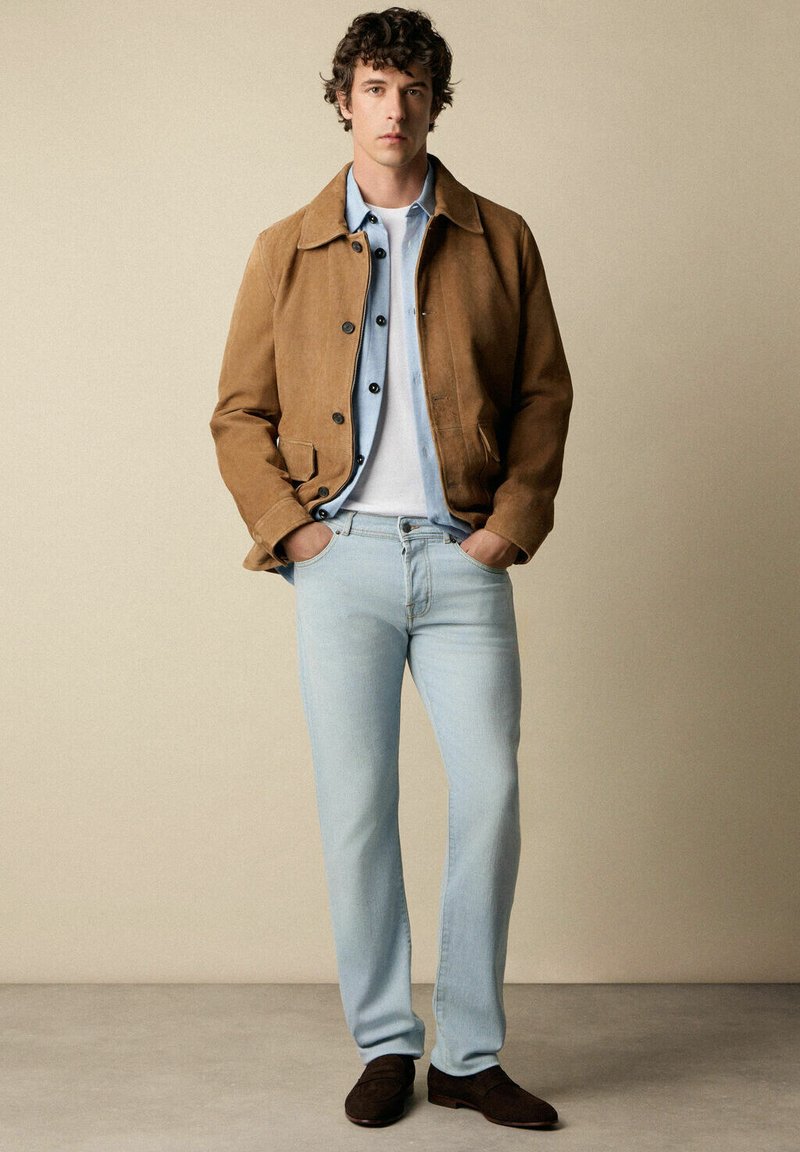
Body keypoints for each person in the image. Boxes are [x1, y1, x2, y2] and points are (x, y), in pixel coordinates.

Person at [210, 6, 572, 1130]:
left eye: (413, 89)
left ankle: (466, 1054)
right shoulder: (286, 246)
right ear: (343, 101)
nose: (394, 109)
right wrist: (293, 532)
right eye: (374, 87)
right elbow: (238, 412)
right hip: (344, 560)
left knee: (491, 796)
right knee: (358, 810)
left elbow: (543, 393)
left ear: (435, 103)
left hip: (464, 559)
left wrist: (510, 523)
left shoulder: (500, 239)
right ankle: (385, 1042)